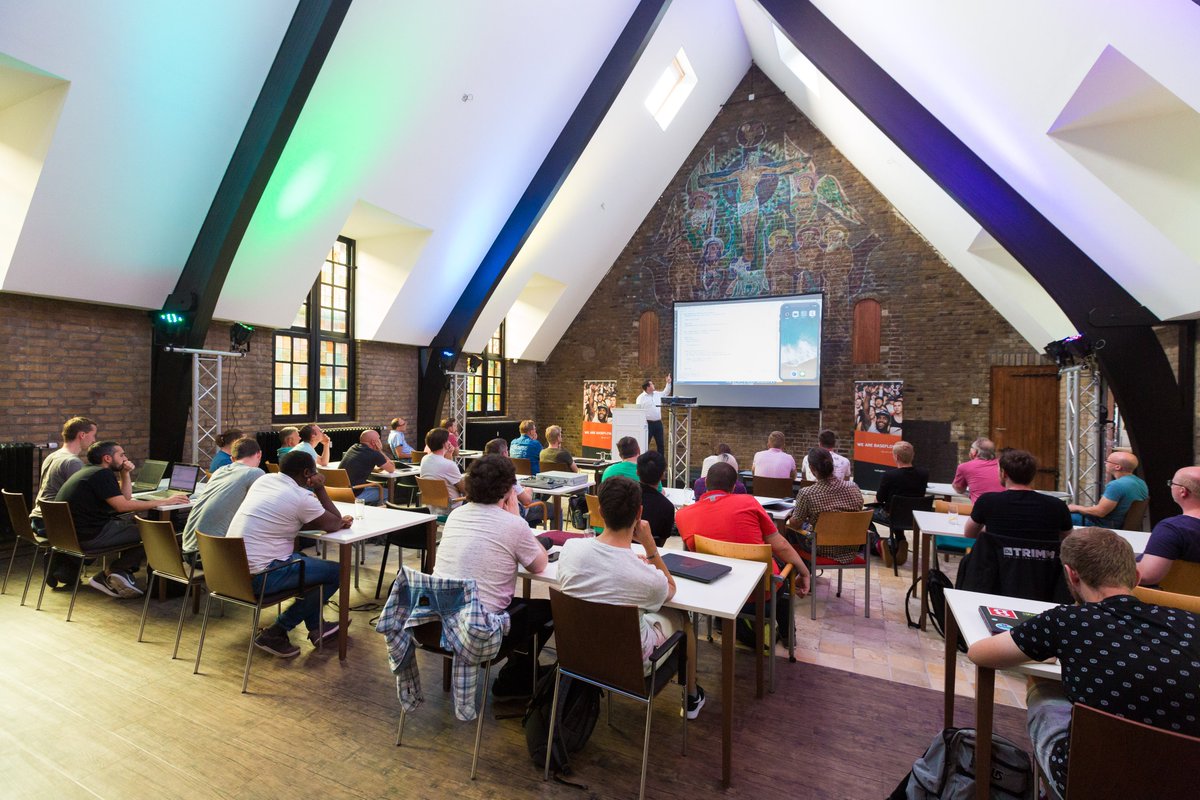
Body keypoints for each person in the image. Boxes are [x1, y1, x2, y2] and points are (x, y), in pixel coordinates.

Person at [967, 528, 1200, 799]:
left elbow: (980, 654)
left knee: (1044, 691)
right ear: (1136, 577)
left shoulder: (1066, 621)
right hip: (1185, 783)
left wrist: (1051, 650)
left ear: (1071, 574)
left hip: (1088, 779)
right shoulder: (1191, 622)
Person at [557, 476, 705, 718]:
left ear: (600, 511)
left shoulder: (571, 549)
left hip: (578, 653)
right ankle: (691, 698)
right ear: (640, 514)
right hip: (631, 664)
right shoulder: (645, 578)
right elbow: (670, 588)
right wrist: (650, 547)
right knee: (681, 618)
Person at [432, 454, 550, 698]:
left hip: (436, 624)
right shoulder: (513, 524)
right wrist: (517, 518)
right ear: (508, 490)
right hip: (482, 633)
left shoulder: (455, 516)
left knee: (524, 608)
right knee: (548, 611)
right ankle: (516, 682)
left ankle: (518, 676)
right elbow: (539, 565)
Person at [226, 450, 351, 657]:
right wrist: (320, 488)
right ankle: (277, 631)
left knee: (307, 563)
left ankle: (317, 627)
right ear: (306, 473)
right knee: (338, 571)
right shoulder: (301, 497)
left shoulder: (264, 480)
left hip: (231, 572)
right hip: (261, 577)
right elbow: (335, 522)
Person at [55, 440, 182, 597]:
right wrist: (164, 501)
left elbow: (125, 499)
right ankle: (111, 572)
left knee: (138, 526)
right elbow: (123, 507)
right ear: (108, 458)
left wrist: (125, 473)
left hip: (70, 537)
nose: (125, 458)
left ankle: (121, 572)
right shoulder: (101, 474)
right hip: (91, 536)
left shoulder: (89, 471)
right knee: (157, 535)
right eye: (121, 455)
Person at [677, 462, 810, 596]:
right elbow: (781, 546)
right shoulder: (748, 503)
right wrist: (804, 572)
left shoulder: (682, 515)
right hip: (760, 591)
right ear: (734, 486)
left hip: (714, 591)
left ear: (705, 482)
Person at [964, 449, 1072, 541]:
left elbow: (969, 534)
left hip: (998, 564)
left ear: (1004, 473)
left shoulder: (987, 502)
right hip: (1041, 565)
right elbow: (1067, 539)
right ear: (1033, 474)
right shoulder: (1057, 506)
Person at [180, 437, 264, 555]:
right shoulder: (255, 473)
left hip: (187, 550)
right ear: (259, 454)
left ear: (232, 458)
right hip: (211, 556)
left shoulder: (220, 471)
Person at [787, 448, 865, 564]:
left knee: (789, 529)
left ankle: (802, 574)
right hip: (850, 547)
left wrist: (790, 520)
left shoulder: (807, 493)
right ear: (832, 464)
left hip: (820, 548)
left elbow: (795, 524)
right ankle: (806, 574)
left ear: (812, 469)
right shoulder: (853, 487)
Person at [30, 416, 97, 537]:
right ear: (82, 435)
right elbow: (83, 499)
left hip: (38, 519)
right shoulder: (72, 462)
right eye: (93, 435)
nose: (94, 440)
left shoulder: (53, 455)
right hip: (52, 524)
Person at [1136, 465, 1200, 586]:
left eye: (1172, 483)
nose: (1170, 486)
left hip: (1170, 600)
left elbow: (1147, 576)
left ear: (1183, 491)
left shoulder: (1173, 529)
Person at [1068, 450, 1148, 527]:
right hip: (1121, 523)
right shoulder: (1141, 483)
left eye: (1108, 461)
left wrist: (1076, 507)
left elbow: (1100, 512)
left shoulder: (1116, 485)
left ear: (1117, 467)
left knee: (1061, 517)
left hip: (1106, 526)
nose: (1105, 463)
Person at [482, 437, 545, 527]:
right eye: (507, 450)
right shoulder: (506, 473)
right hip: (509, 511)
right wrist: (528, 490)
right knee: (552, 509)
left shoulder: (480, 472)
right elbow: (526, 501)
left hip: (487, 511)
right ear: (504, 453)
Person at [338, 429, 395, 506]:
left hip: (339, 491)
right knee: (387, 492)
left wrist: (374, 469)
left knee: (375, 488)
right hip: (354, 493)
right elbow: (392, 468)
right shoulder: (374, 454)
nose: (380, 440)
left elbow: (358, 464)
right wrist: (380, 451)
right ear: (374, 442)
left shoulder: (353, 447)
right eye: (379, 438)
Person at [419, 427, 464, 513]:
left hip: (431, 506)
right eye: (448, 440)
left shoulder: (424, 459)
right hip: (451, 506)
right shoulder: (449, 465)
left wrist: (449, 454)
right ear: (445, 444)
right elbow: (464, 489)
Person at [635, 451, 675, 547]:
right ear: (662, 475)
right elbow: (661, 541)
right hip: (651, 555)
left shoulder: (624, 496)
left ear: (637, 472)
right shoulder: (667, 507)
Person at [951, 437, 1004, 502]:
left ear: (974, 452)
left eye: (971, 448)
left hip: (982, 509)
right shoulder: (1003, 464)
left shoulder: (964, 467)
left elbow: (959, 489)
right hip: (1006, 507)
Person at [635, 373, 672, 453]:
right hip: (647, 424)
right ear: (648, 387)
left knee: (660, 444)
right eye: (652, 384)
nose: (653, 385)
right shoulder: (641, 398)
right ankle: (644, 462)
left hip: (658, 423)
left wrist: (668, 383)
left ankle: (660, 464)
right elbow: (638, 412)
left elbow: (666, 392)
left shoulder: (657, 394)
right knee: (645, 444)